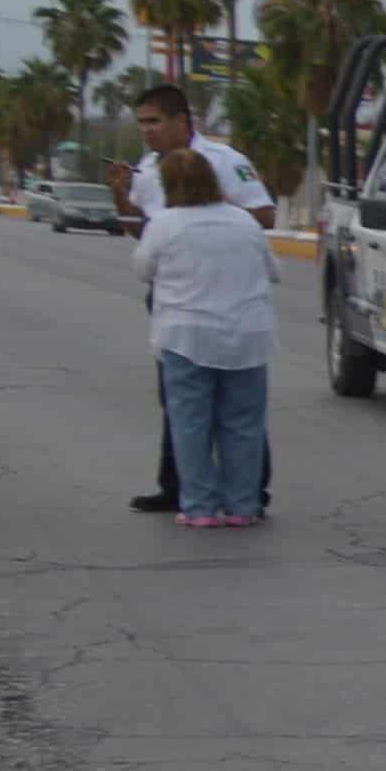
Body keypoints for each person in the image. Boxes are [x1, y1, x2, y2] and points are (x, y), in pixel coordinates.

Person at [123, 83, 274, 513]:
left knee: (237, 406)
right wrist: (121, 195)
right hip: (175, 293)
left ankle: (249, 491)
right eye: (142, 123)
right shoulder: (148, 168)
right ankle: (179, 487)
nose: (147, 131)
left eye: (154, 121)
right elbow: (141, 230)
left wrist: (210, 210)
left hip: (228, 291)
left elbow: (263, 216)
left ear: (182, 122)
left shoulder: (227, 162)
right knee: (180, 401)